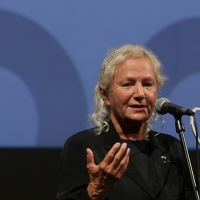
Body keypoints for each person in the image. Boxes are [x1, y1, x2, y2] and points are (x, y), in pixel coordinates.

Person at [56, 44, 195, 200]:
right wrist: (95, 192)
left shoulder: (172, 148)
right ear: (105, 95)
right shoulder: (83, 146)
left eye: (148, 84)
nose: (140, 93)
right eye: (127, 84)